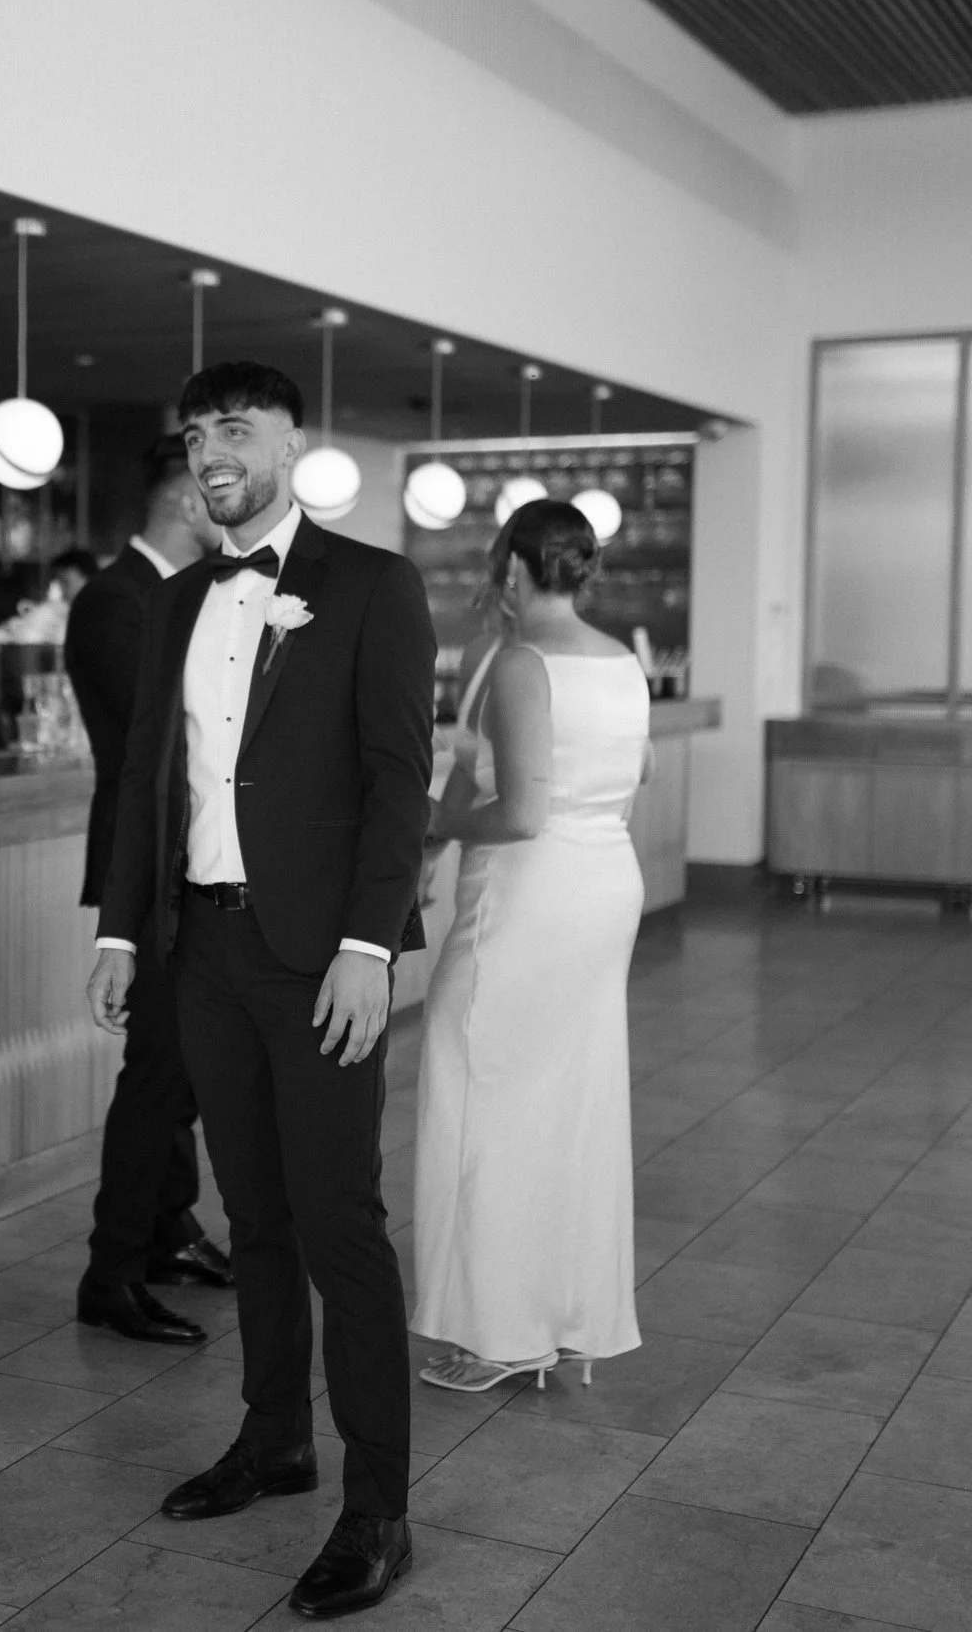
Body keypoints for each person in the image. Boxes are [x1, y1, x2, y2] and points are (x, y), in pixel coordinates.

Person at [86, 361, 434, 1620]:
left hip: (318, 957)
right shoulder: (178, 597)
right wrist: (123, 932)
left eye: (235, 426)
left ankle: (379, 1504)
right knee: (255, 1217)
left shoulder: (373, 586)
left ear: (293, 440)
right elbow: (145, 782)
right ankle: (275, 1437)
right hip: (206, 955)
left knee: (340, 1222)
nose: (210, 448)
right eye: (195, 432)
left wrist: (368, 944)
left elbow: (401, 781)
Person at [414, 499, 647, 1392]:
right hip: (603, 880)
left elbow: (517, 810)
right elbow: (639, 772)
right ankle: (564, 1313)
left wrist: (436, 833)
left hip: (529, 890)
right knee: (570, 1099)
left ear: (512, 569)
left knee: (479, 1085)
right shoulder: (622, 657)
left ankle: (500, 1331)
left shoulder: (520, 660)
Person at [65, 438, 233, 1345]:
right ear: (184, 500)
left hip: (195, 866)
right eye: (214, 493)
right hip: (149, 869)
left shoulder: (186, 594)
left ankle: (168, 1231)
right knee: (157, 1076)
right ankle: (111, 1269)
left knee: (181, 1072)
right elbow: (161, 743)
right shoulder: (113, 600)